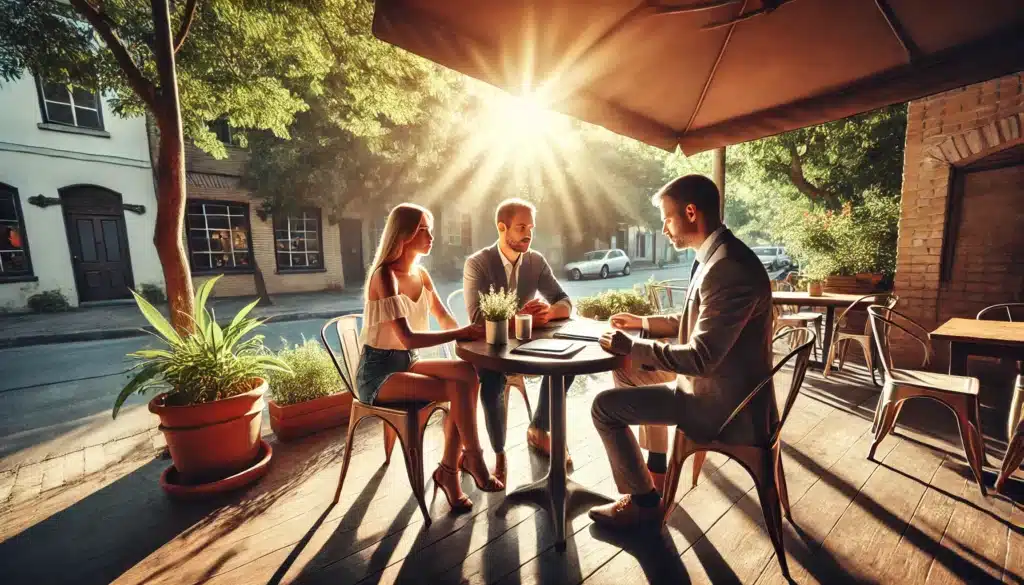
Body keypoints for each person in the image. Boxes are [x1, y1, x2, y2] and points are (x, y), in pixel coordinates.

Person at [588, 174, 775, 529]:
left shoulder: (728, 269)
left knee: (604, 408)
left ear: (691, 212)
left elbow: (701, 358)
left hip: (725, 405)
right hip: (720, 384)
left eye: (667, 219)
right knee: (629, 369)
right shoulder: (717, 256)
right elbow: (695, 320)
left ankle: (644, 504)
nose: (663, 229)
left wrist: (634, 346)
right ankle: (656, 473)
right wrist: (642, 323)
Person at [357, 203, 502, 513]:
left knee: (467, 373)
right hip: (378, 373)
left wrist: (473, 336)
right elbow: (408, 337)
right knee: (456, 389)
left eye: (430, 229)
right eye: (423, 230)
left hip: (407, 363)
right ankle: (472, 458)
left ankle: (449, 469)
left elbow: (444, 318)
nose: (431, 236)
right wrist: (461, 332)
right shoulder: (385, 276)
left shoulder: (421, 275)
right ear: (404, 234)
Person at [463, 198, 573, 483]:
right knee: (492, 383)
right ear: (502, 227)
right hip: (491, 349)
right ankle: (499, 453)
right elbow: (477, 319)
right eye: (521, 227)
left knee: (567, 364)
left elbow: (564, 301)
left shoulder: (535, 261)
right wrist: (523, 318)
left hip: (527, 348)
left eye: (530, 228)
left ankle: (538, 428)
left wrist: (549, 312)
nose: (528, 234)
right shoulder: (477, 264)